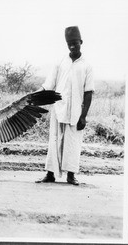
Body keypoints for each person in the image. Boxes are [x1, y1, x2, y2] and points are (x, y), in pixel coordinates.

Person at [35, 26, 94, 185]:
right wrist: (34, 95)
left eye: (75, 43)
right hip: (58, 109)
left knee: (73, 143)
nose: (73, 46)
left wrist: (83, 116)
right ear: (67, 45)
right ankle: (50, 175)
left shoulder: (87, 66)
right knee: (54, 141)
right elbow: (48, 85)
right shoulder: (60, 62)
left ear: (81, 42)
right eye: (70, 44)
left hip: (76, 112)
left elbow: (88, 92)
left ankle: (71, 176)